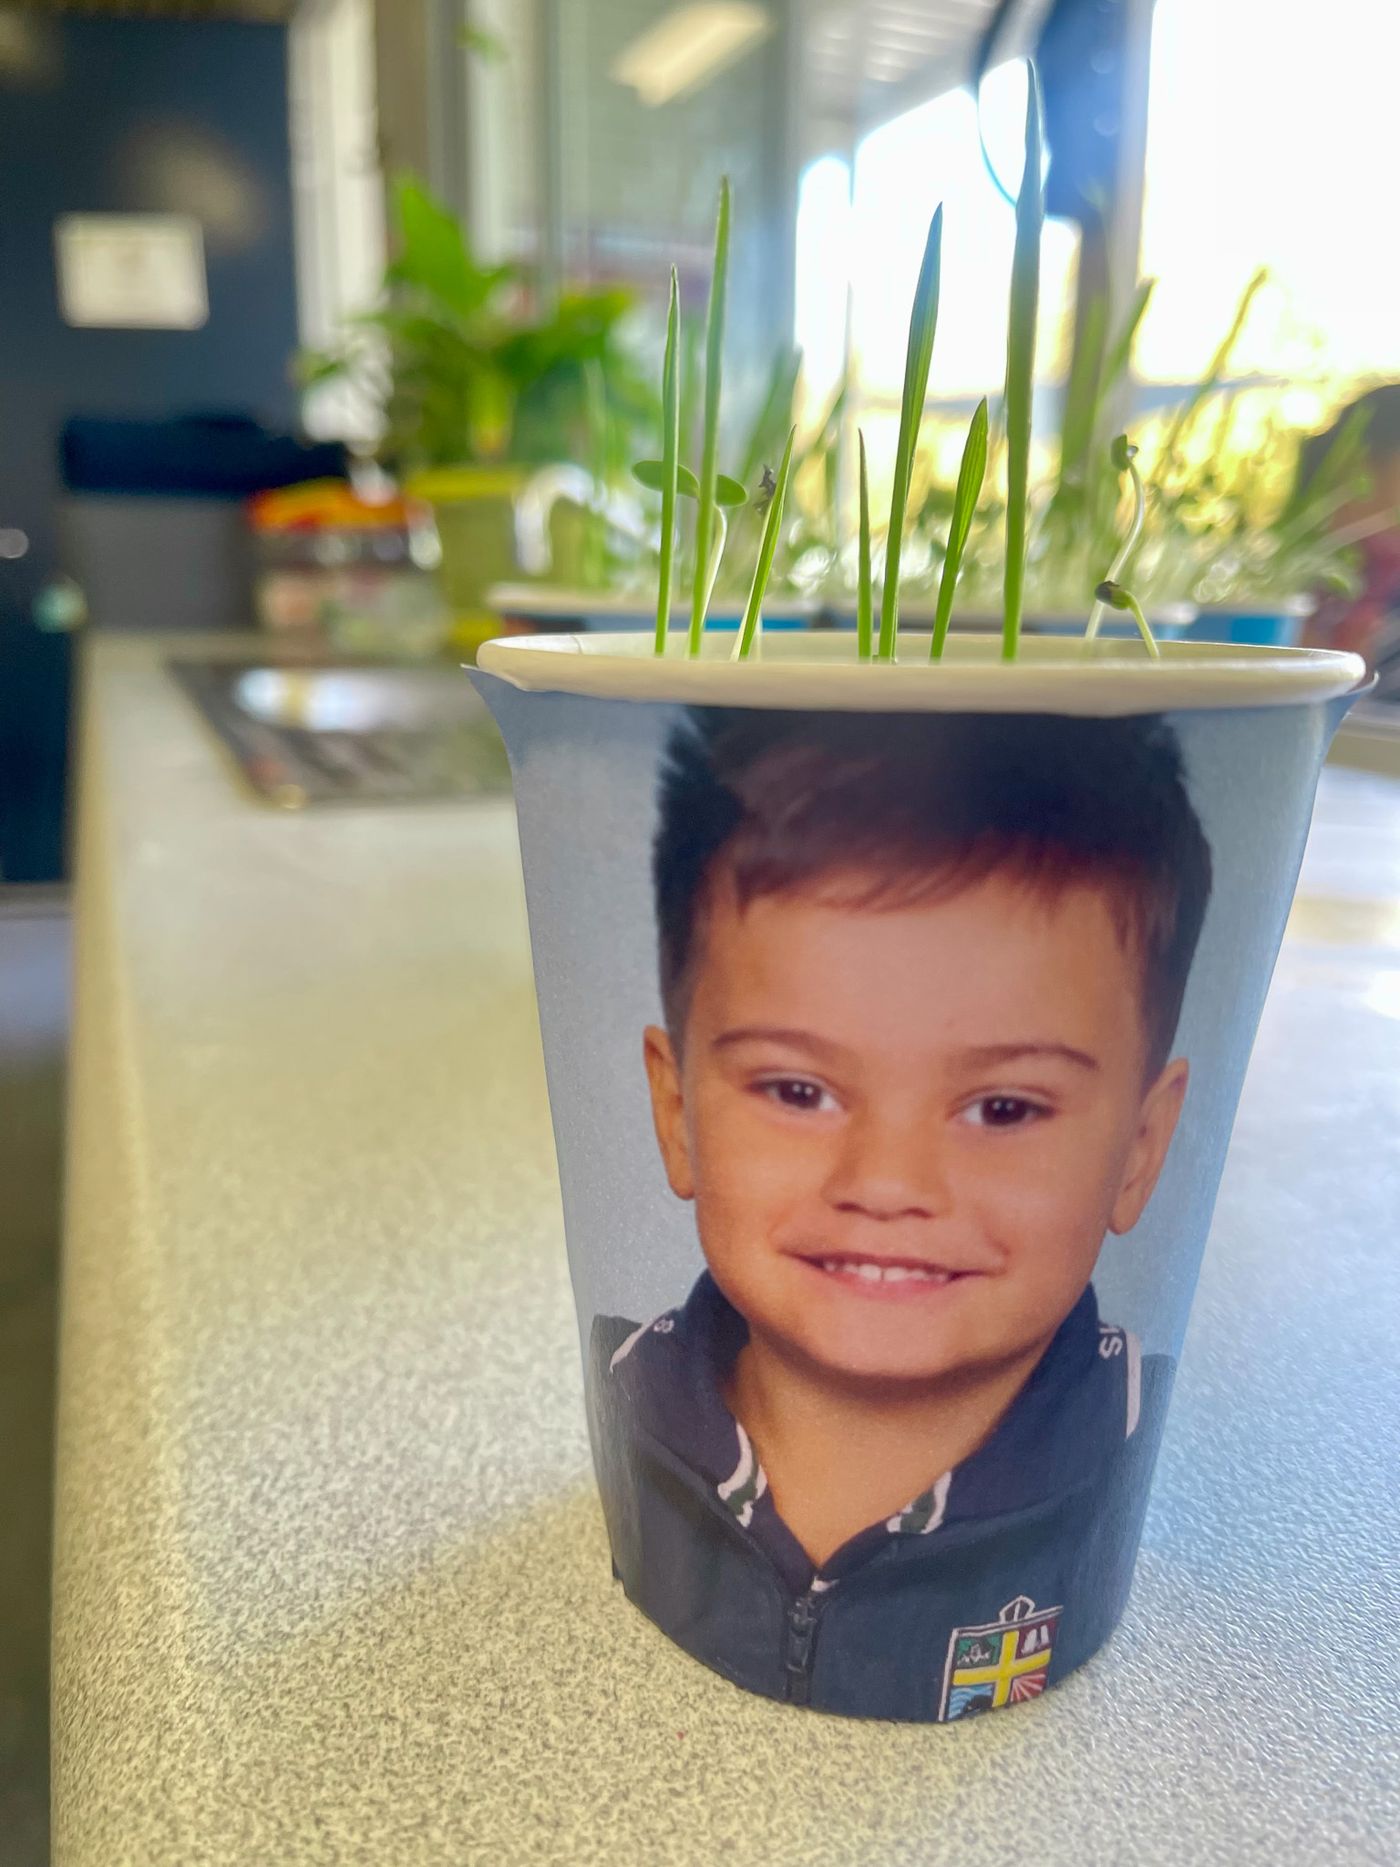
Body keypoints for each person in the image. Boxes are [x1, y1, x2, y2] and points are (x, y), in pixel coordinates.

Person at [589, 706, 1213, 1720]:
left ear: (1139, 1148)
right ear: (677, 1113)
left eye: (1002, 1108)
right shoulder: (622, 1391)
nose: (887, 1184)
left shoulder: (1134, 1432)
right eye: (798, 1091)